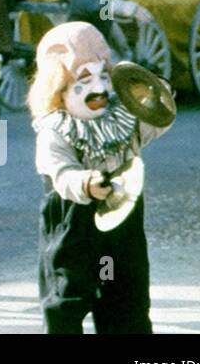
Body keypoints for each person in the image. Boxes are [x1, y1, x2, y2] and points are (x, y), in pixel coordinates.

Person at [29, 22, 173, 334]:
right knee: (65, 303)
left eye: (103, 76)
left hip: (123, 218)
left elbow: (158, 120)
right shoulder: (56, 130)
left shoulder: (121, 119)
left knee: (127, 300)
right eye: (84, 79)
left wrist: (153, 94)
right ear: (59, 89)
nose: (98, 88)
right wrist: (84, 182)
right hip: (73, 223)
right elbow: (59, 170)